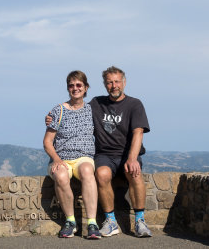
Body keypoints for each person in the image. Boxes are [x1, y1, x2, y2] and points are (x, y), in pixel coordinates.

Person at [46, 66, 152, 238]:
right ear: (105, 84)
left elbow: (138, 132)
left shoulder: (134, 104)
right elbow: (72, 110)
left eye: (117, 81)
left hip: (127, 154)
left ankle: (140, 221)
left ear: (124, 82)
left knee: (134, 173)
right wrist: (50, 118)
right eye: (109, 82)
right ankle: (111, 221)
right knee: (101, 175)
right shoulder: (96, 104)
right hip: (104, 155)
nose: (114, 85)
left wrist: (132, 158)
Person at [43, 70, 101, 239]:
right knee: (60, 176)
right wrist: (57, 159)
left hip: (84, 157)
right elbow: (47, 142)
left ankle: (92, 222)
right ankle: (70, 221)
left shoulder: (92, 110)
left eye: (78, 85)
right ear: (67, 88)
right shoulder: (58, 111)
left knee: (87, 172)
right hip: (61, 157)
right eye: (71, 85)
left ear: (86, 87)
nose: (75, 88)